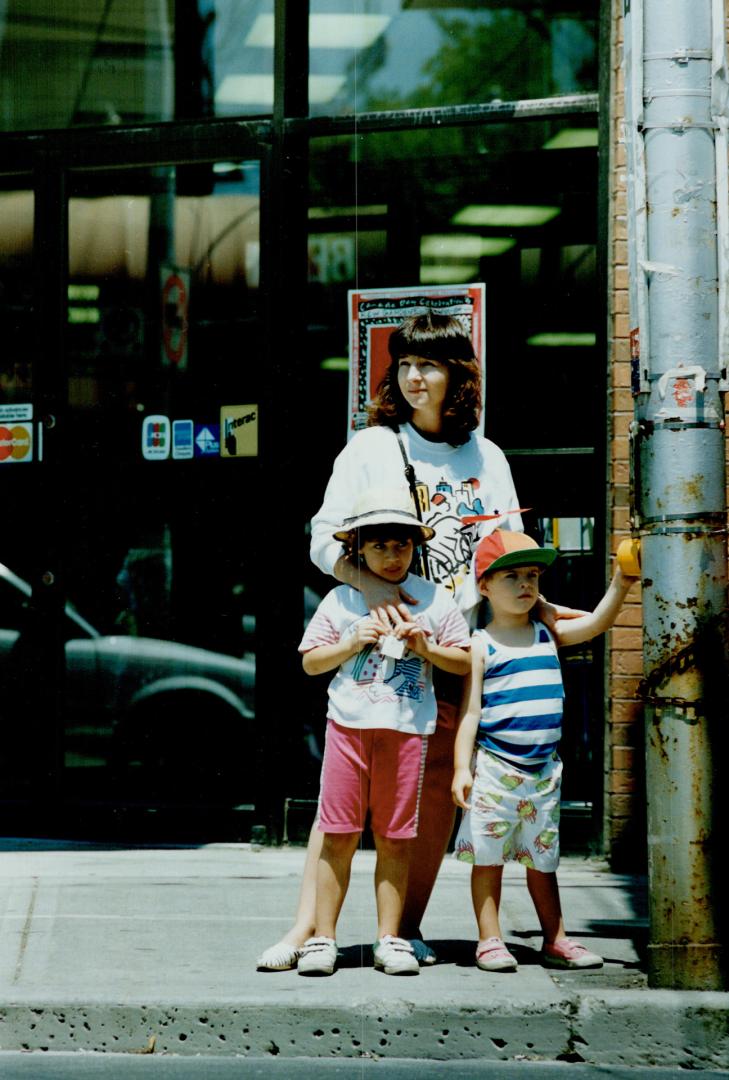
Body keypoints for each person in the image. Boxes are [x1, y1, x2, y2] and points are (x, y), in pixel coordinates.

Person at [256, 310, 562, 972]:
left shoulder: (488, 457)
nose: (416, 377)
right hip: (381, 647)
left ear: (459, 374)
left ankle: (404, 929)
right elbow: (321, 539)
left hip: (459, 645)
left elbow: (503, 552)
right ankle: (307, 929)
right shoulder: (371, 448)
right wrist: (372, 590)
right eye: (406, 365)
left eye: (430, 365)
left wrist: (532, 609)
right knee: (344, 797)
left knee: (431, 793)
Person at [295, 487, 471, 976]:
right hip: (348, 730)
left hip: (408, 732)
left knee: (396, 837)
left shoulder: (435, 599)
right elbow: (311, 663)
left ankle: (390, 938)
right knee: (337, 834)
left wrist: (427, 647)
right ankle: (322, 939)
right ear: (357, 550)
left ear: (416, 547)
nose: (392, 557)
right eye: (379, 547)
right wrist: (351, 641)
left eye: (402, 546)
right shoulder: (342, 599)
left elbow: (462, 659)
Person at [451, 528, 639, 972]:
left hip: (542, 772)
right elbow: (470, 712)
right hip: (496, 768)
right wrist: (462, 768)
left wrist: (622, 582)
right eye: (511, 576)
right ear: (484, 586)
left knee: (543, 859)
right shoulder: (482, 643)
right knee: (488, 857)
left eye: (532, 575)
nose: (524, 585)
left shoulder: (546, 633)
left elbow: (596, 624)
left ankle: (555, 939)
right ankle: (490, 940)